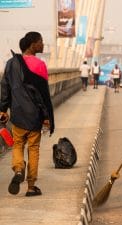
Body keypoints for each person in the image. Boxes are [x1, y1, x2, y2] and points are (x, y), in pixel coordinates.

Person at [0, 31, 55, 197]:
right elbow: (44, 94)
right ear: (33, 45)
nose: (43, 44)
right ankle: (31, 187)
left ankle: (18, 169)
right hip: (35, 115)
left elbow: (5, 88)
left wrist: (3, 109)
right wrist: (47, 117)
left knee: (17, 144)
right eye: (41, 41)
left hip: (17, 114)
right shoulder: (40, 65)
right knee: (34, 149)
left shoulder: (10, 64)